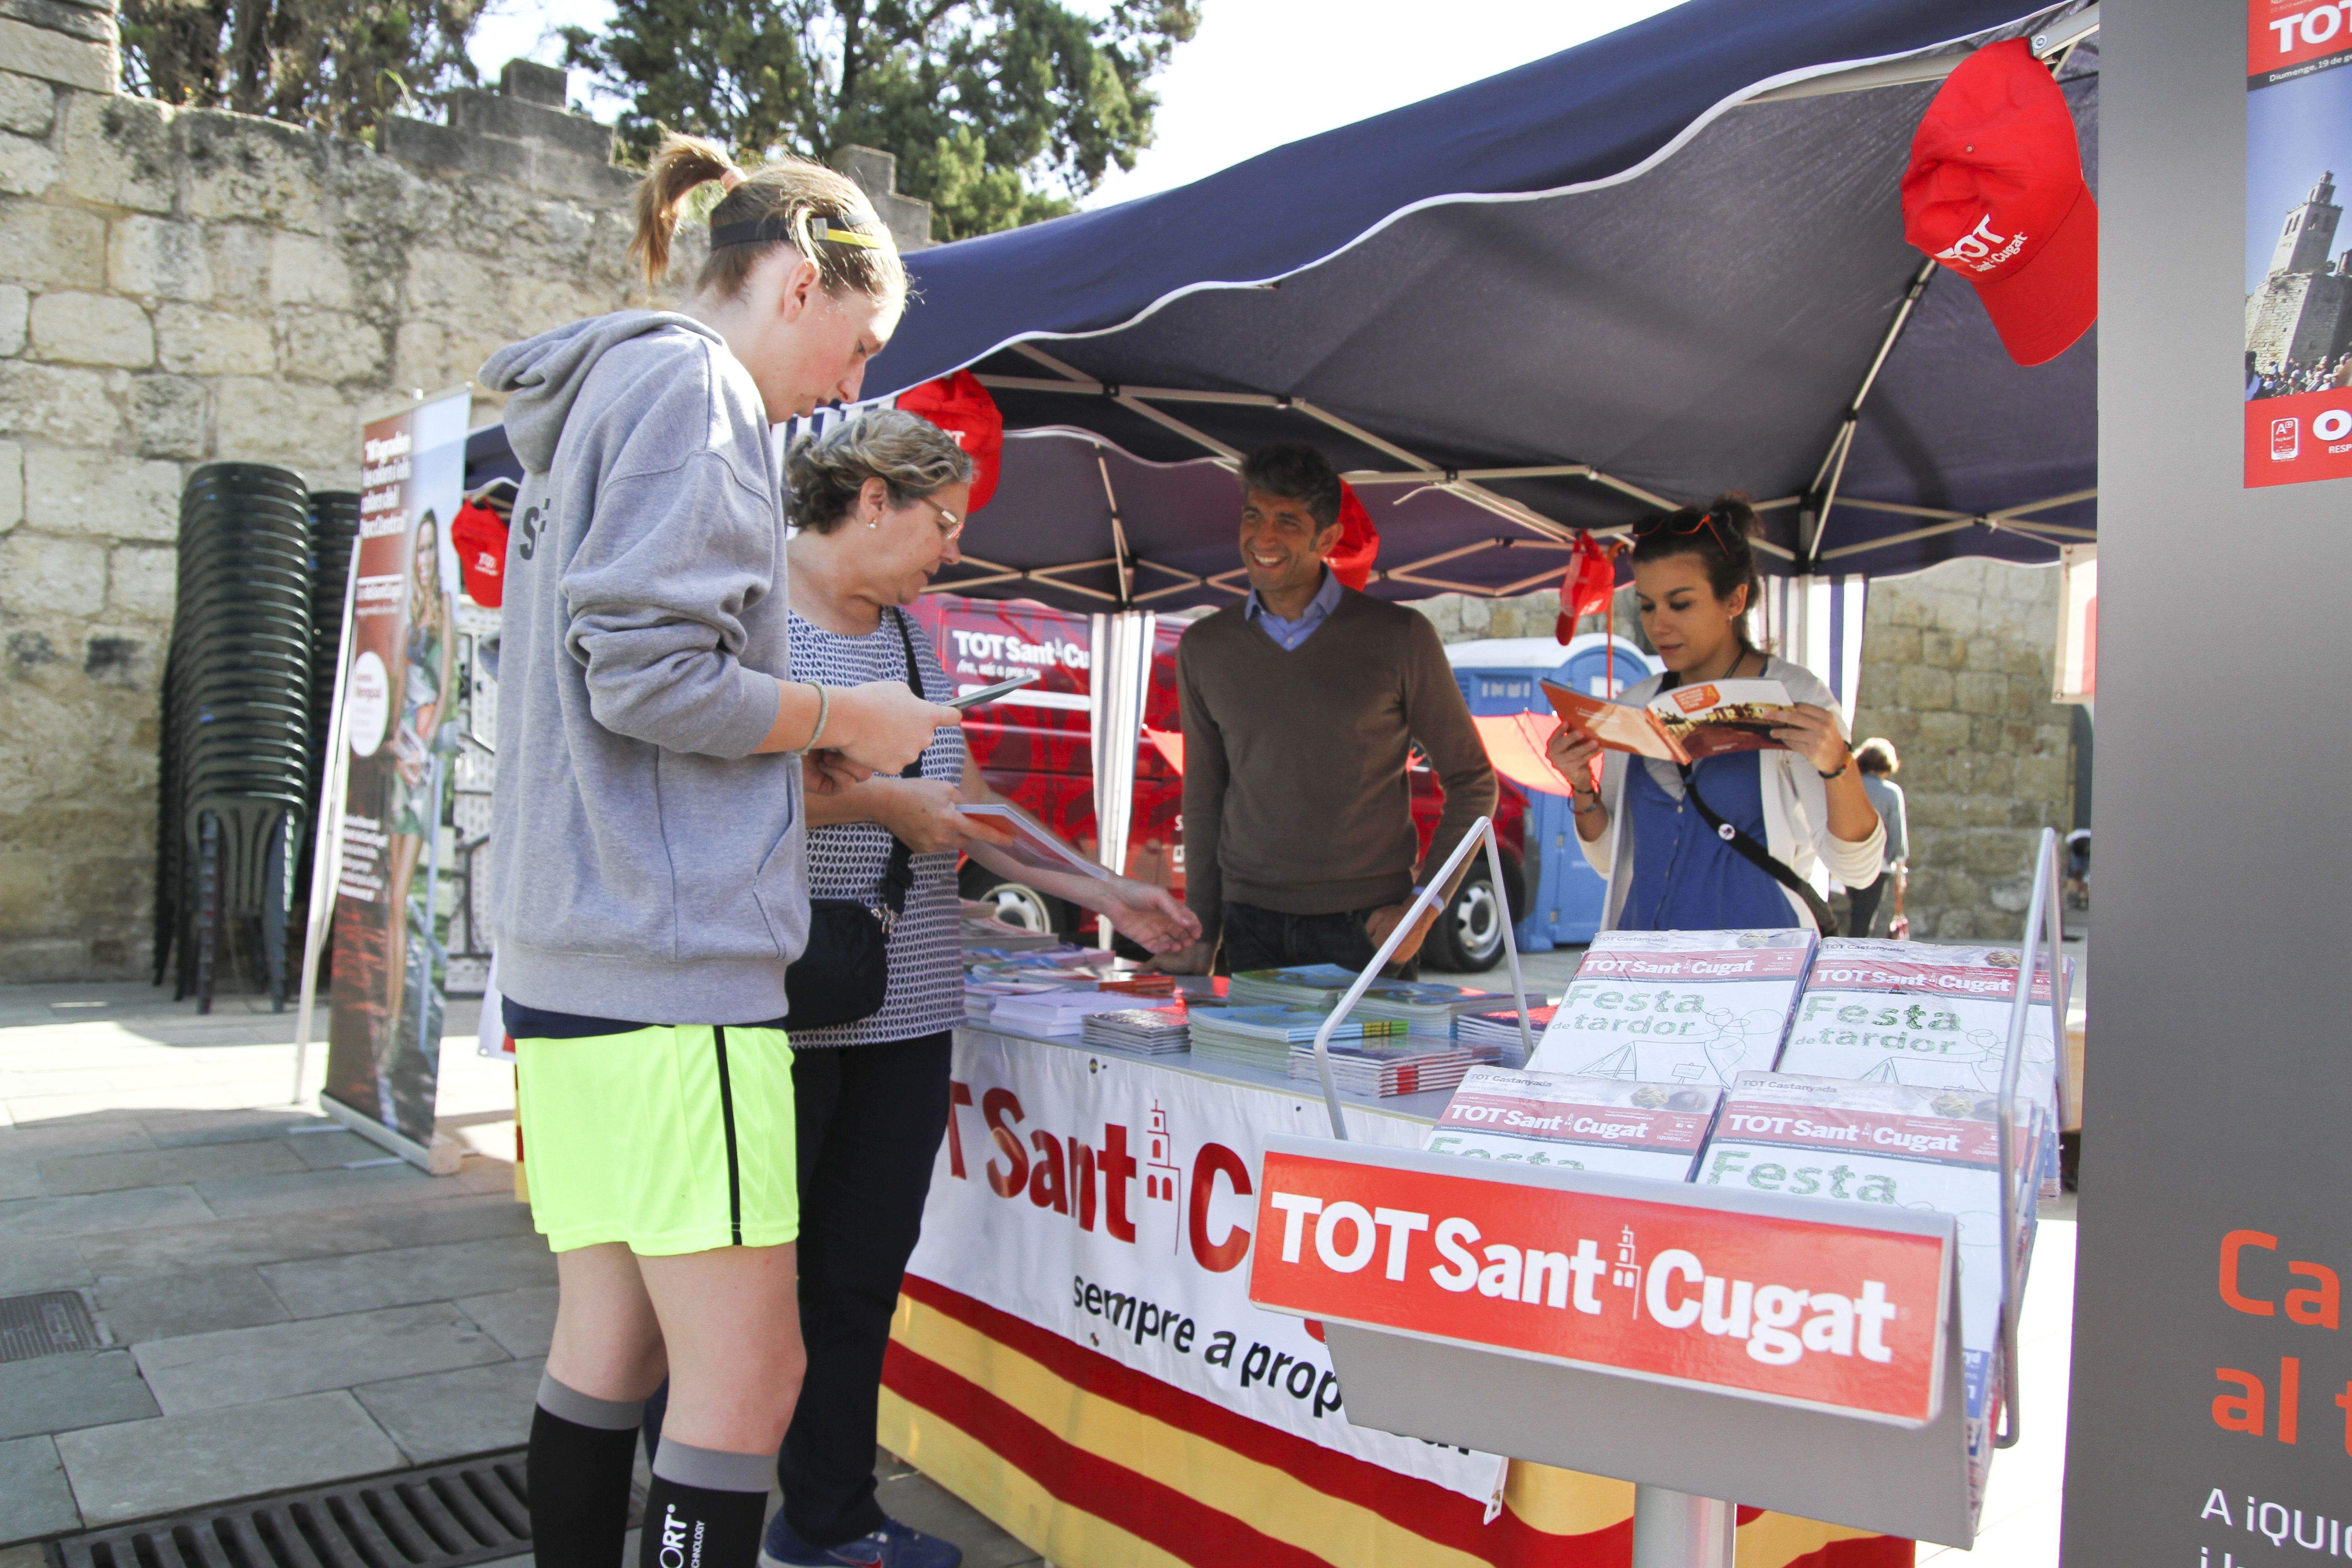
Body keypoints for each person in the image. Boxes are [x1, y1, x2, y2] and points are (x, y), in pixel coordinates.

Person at [480, 135, 959, 1568]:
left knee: (608, 1350)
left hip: (578, 964)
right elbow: (644, 677)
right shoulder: (692, 392)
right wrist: (845, 714)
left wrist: (784, 751)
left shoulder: (612, 393)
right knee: (750, 1382)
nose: (854, 388)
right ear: (802, 282)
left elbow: (620, 686)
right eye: (861, 341)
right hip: (673, 980)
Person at [750, 408, 1200, 1568]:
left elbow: (968, 796)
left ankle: (829, 1519)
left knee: (857, 1274)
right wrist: (873, 804)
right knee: (745, 1289)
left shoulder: (913, 638)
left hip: (904, 1007)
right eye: (942, 522)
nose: (950, 550)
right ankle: (702, 1516)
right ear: (869, 500)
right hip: (771, 1006)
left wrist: (1109, 891)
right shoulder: (748, 618)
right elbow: (698, 802)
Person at [1154, 442, 1496, 977]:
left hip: (1368, 927)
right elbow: (1204, 793)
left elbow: (1473, 782)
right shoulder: (1205, 646)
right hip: (1250, 926)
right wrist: (1204, 926)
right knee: (1245, 1066)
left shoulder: (1400, 637)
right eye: (1253, 516)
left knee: (1359, 1065)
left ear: (1329, 538)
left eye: (1287, 522)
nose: (1263, 538)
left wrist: (1424, 908)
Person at [1545, 496, 1883, 932]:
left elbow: (1858, 870)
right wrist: (1581, 786)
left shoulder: (1793, 694)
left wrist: (1839, 766)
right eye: (1647, 606)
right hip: (1646, 966)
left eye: (1680, 604)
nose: (1658, 625)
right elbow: (1612, 862)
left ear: (1735, 599)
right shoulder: (1634, 704)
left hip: (1760, 965)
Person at [1848, 737, 1908, 938]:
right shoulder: (1891, 793)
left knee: (1845, 914)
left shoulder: (1847, 786)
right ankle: (1854, 960)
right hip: (1877, 863)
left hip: (1844, 859)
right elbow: (1897, 834)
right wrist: (1899, 867)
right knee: (1864, 919)